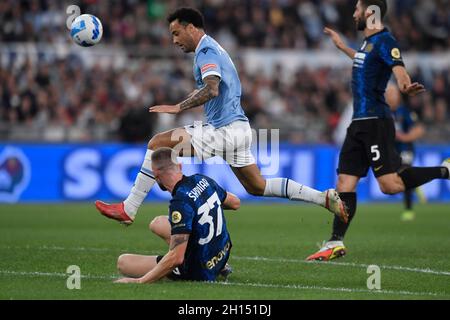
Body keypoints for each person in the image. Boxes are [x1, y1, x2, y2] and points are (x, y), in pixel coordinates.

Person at [95, 7, 348, 225]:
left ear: (191, 28)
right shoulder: (211, 49)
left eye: (176, 33)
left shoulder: (207, 52)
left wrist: (179, 107)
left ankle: (129, 208)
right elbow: (214, 87)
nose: (173, 40)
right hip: (238, 129)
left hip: (224, 131)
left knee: (157, 143)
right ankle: (322, 197)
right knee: (257, 186)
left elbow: (212, 87)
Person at [306, 0, 450, 261]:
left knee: (390, 185)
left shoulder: (386, 41)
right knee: (344, 183)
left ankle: (445, 170)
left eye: (357, 9)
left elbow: (399, 71)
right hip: (358, 123)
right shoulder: (366, 44)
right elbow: (365, 62)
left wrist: (405, 86)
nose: (353, 14)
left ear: (370, 13)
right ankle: (335, 242)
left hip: (376, 122)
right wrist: (343, 48)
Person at [115, 147, 238, 284]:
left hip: (200, 270)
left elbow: (176, 258)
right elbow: (235, 203)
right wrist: (203, 201)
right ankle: (222, 267)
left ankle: (196, 269)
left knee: (123, 262)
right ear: (179, 166)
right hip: (222, 253)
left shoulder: (180, 202)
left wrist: (140, 281)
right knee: (158, 223)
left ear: (156, 176)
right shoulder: (202, 179)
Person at [386, 84, 426, 222]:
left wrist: (404, 137)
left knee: (404, 173)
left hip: (405, 149)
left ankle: (408, 210)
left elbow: (419, 129)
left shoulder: (405, 111)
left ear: (398, 96)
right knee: (397, 179)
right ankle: (415, 184)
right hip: (391, 151)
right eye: (388, 93)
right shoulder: (382, 112)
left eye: (393, 93)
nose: (391, 96)